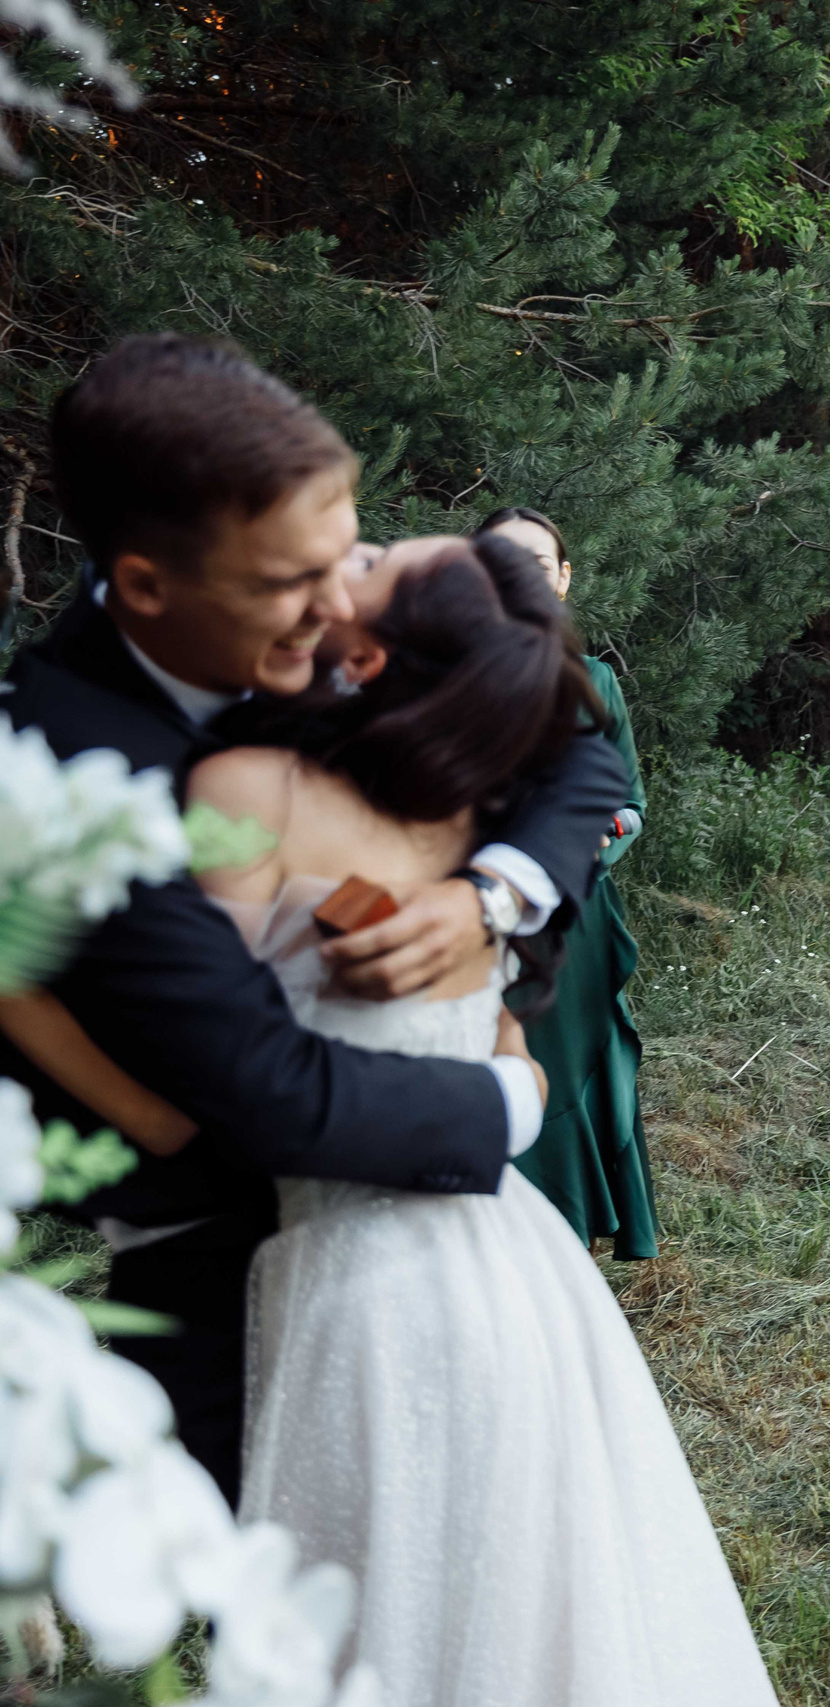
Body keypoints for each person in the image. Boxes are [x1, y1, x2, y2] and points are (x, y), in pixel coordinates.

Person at [3, 334, 624, 1502]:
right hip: (227, 1283)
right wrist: (508, 1095)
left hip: (415, 1250)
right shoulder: (68, 775)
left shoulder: (299, 620)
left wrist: (489, 893)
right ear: (146, 584)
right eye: (295, 582)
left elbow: (574, 748)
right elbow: (270, 1093)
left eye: (348, 558)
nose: (339, 608)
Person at [186, 534, 772, 1703]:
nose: (343, 552)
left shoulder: (259, 794)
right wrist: (507, 1094)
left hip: (366, 1281)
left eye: (369, 559)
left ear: (366, 652)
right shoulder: (467, 808)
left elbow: (213, 1061)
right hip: (507, 1265)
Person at [473, 506, 657, 1259]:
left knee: (565, 1070)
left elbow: (631, 803)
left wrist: (596, 840)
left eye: (538, 564)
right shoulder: (444, 677)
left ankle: (565, 1246)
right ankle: (492, 1244)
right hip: (473, 919)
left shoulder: (597, 681)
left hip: (574, 918)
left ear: (563, 578)